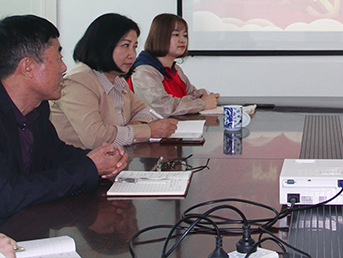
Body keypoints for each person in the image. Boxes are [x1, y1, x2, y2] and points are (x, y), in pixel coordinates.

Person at [0, 15, 128, 224]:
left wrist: (102, 158)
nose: (64, 68)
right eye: (59, 58)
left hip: (30, 225)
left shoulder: (38, 108)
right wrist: (89, 167)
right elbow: (7, 195)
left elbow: (54, 155)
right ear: (28, 67)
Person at [50, 13, 177, 149]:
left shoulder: (116, 80)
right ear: (103, 45)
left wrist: (135, 127)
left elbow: (146, 111)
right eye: (125, 45)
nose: (132, 54)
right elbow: (96, 138)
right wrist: (147, 131)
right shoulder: (78, 83)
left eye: (134, 47)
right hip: (78, 160)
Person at [128, 13, 219, 117]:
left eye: (185, 35)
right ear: (159, 37)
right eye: (176, 35)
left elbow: (190, 94)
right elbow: (162, 107)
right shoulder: (143, 72)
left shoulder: (175, 68)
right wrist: (202, 103)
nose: (182, 40)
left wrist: (205, 96)